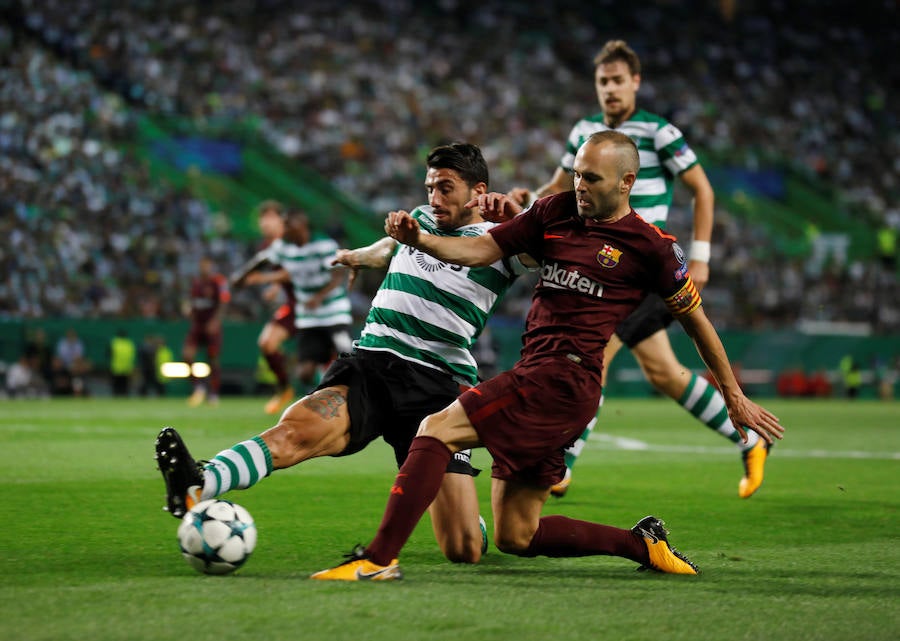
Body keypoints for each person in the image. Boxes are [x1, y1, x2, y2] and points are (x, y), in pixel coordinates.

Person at [311, 131, 784, 581]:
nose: (579, 185)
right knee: (518, 535)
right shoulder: (555, 211)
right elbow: (480, 249)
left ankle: (376, 560)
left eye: (592, 178)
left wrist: (734, 395)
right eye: (577, 173)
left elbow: (697, 322)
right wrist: (423, 240)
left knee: (434, 428)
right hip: (542, 378)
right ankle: (642, 546)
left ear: (627, 183)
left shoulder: (653, 248)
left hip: (564, 381)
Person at [155, 143, 531, 563]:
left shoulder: (503, 241)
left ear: (478, 190)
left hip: (437, 386)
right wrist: (359, 256)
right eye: (429, 188)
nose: (434, 199)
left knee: (463, 549)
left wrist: (519, 217)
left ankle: (467, 518)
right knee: (296, 431)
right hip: (374, 362)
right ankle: (201, 482)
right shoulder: (421, 218)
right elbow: (388, 247)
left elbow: (541, 250)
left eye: (446, 188)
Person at [509, 39, 768, 500]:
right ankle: (750, 437)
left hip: (641, 270)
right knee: (665, 374)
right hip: (601, 266)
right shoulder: (585, 132)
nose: (610, 89)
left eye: (617, 81)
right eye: (602, 81)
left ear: (635, 83)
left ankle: (561, 462)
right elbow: (556, 185)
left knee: (593, 354)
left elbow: (702, 190)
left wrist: (702, 256)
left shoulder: (659, 133)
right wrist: (524, 204)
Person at [239, 209, 353, 397]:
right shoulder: (284, 247)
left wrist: (319, 297)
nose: (284, 230)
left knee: (348, 355)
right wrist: (241, 276)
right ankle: (320, 392)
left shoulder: (324, 244)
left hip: (335, 314)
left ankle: (356, 394)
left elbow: (338, 274)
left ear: (300, 226)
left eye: (287, 226)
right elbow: (263, 259)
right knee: (304, 373)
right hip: (307, 318)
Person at [230, 201, 298, 414]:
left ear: (281, 220)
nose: (265, 223)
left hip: (316, 305)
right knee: (267, 343)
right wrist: (276, 286)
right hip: (294, 305)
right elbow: (285, 270)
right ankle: (285, 388)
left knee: (325, 357)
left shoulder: (293, 240)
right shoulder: (269, 247)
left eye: (270, 217)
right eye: (262, 218)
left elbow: (298, 270)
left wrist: (264, 278)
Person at [183, 256, 230, 407]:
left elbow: (224, 302)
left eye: (206, 265)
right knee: (187, 355)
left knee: (213, 358)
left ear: (211, 266)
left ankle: (214, 393)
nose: (204, 268)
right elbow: (191, 301)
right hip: (197, 325)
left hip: (211, 325)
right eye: (201, 265)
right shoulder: (196, 283)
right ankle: (198, 387)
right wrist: (188, 308)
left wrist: (215, 321)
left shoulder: (218, 281)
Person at [108, 329, 136, 397]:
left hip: (116, 367)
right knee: (125, 386)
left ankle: (116, 398)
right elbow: (133, 356)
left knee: (116, 385)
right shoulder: (130, 344)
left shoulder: (114, 343)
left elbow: (109, 354)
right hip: (127, 368)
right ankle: (125, 397)